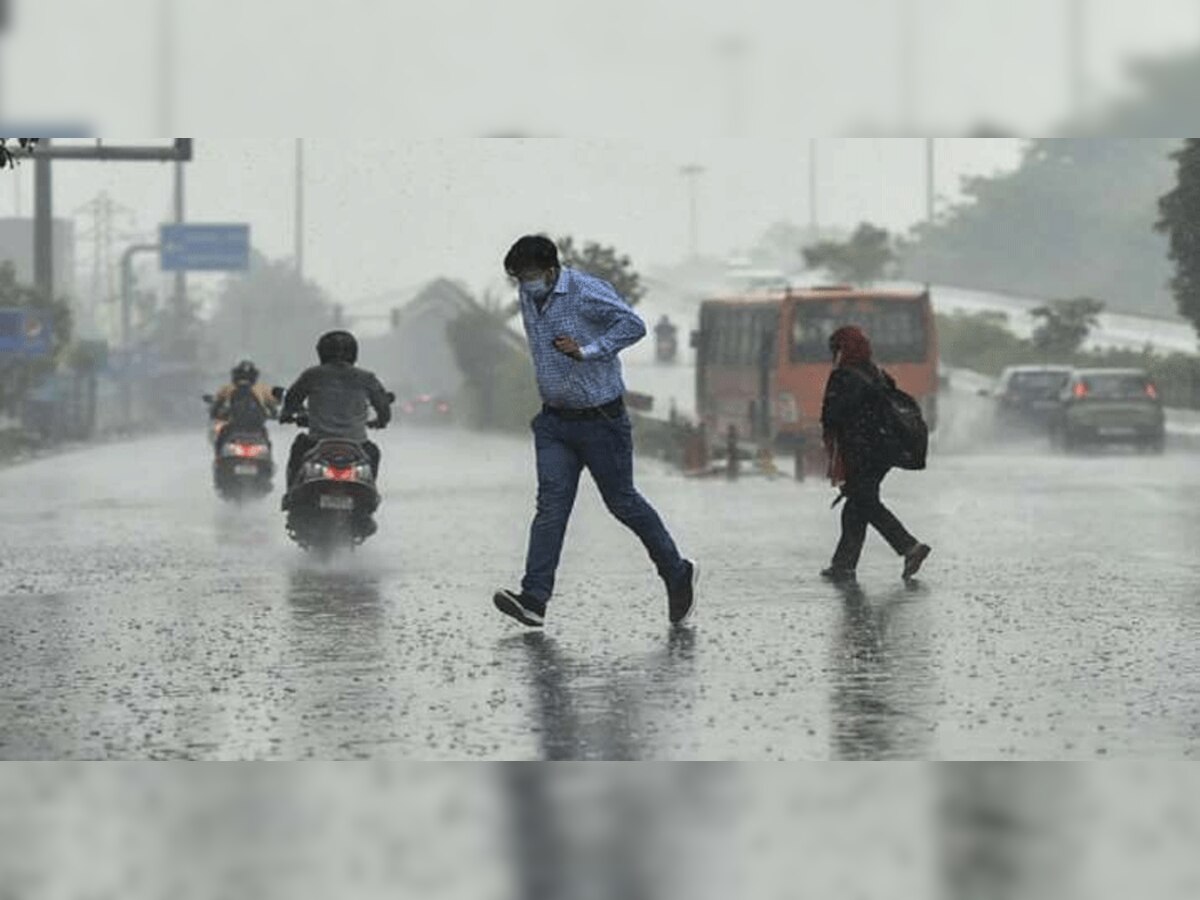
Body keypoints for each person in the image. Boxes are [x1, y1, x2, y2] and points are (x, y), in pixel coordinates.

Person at [492, 235, 699, 629]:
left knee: (623, 503)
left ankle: (677, 573)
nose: (525, 284)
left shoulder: (585, 291)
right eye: (519, 278)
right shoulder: (527, 295)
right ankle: (534, 598)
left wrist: (588, 350)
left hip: (601, 420)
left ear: (552, 270)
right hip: (554, 422)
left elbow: (633, 325)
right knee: (551, 508)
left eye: (531, 276)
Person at [820, 325, 931, 583]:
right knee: (857, 505)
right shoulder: (876, 373)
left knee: (865, 502)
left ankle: (909, 547)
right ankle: (843, 565)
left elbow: (831, 416)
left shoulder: (844, 377)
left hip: (860, 452)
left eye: (835, 350)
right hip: (884, 451)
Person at [279, 331, 392, 502]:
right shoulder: (366, 378)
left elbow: (292, 399)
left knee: (298, 449)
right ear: (354, 352)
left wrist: (290, 414)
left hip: (316, 441)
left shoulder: (312, 375)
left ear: (322, 352)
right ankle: (369, 499)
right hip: (357, 444)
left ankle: (290, 497)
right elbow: (383, 406)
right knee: (373, 453)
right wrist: (381, 421)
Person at [210, 360, 277, 450]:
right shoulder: (263, 388)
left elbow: (216, 405)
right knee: (266, 441)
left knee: (221, 438)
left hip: (234, 426)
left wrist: (217, 413)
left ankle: (219, 460)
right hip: (256, 427)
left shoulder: (227, 388)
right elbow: (273, 405)